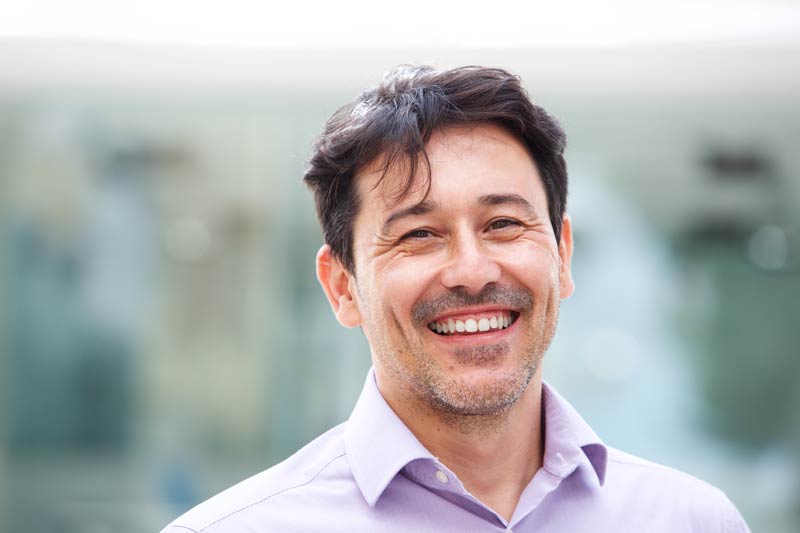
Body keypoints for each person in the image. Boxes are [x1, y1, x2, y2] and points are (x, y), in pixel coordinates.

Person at [161, 65, 750, 532]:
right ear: (342, 286)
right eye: (419, 234)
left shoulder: (696, 521)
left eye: (503, 224)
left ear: (562, 256)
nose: (472, 271)